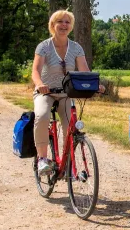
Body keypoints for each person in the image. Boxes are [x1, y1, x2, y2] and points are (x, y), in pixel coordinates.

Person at [31, 10, 103, 174]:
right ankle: (42, 159)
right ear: (53, 25)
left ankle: (67, 162)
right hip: (46, 92)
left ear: (71, 26)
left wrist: (95, 85)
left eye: (67, 22)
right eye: (60, 22)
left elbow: (84, 71)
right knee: (42, 116)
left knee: (70, 126)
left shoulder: (76, 48)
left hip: (66, 93)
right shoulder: (44, 46)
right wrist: (40, 84)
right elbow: (35, 70)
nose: (64, 25)